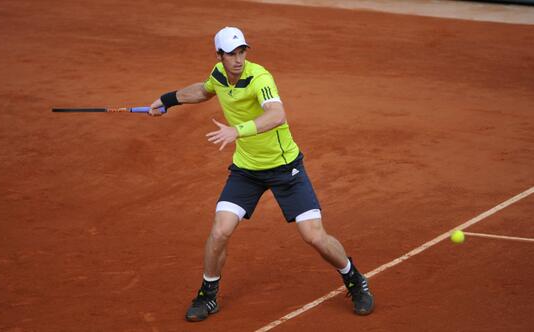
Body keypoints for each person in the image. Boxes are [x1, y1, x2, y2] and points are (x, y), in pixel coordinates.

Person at [148, 26, 374, 322]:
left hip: (285, 169)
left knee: (314, 236)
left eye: (242, 52)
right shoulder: (218, 74)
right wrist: (167, 100)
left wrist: (236, 131)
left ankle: (354, 279)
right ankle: (208, 295)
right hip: (246, 171)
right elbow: (203, 91)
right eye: (231, 54)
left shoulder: (260, 77)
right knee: (220, 231)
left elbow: (276, 114)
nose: (238, 59)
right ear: (219, 56)